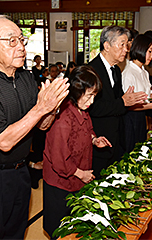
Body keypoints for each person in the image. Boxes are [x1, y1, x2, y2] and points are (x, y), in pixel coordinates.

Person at [0, 15, 69, 239]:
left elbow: (40, 126)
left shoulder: (24, 78)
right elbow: (4, 141)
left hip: (21, 170)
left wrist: (52, 109)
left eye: (21, 40)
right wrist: (41, 108)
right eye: (11, 41)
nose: (21, 47)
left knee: (17, 231)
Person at [43, 65, 111, 239]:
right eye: (89, 96)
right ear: (76, 91)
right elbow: (59, 160)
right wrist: (81, 174)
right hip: (61, 184)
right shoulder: (63, 118)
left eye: (94, 96)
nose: (92, 101)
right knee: (61, 230)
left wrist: (94, 139)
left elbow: (86, 130)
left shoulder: (81, 108)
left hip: (79, 177)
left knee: (76, 226)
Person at [88, 25, 147, 177]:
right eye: (122, 45)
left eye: (127, 45)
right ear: (107, 46)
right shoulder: (91, 71)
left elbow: (119, 103)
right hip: (99, 140)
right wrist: (123, 102)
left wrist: (129, 100)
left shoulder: (116, 70)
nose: (126, 50)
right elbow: (93, 108)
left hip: (115, 139)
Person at [122, 34, 152, 152]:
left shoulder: (143, 71)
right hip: (131, 119)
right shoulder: (129, 73)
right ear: (140, 49)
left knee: (140, 150)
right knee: (131, 153)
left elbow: (146, 95)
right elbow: (129, 106)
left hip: (141, 117)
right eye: (150, 51)